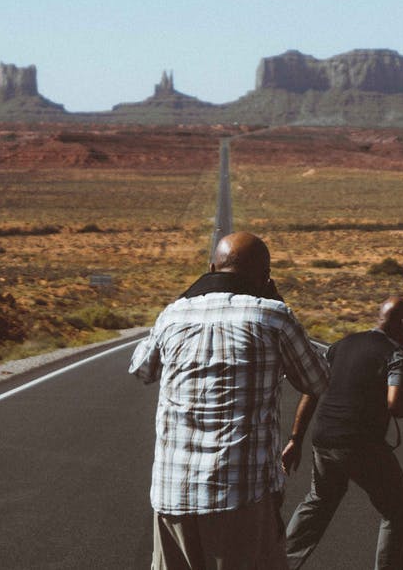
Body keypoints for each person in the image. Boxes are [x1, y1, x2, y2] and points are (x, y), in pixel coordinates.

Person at [130, 231, 329, 569]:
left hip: (172, 492)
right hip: (239, 496)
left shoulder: (173, 315)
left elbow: (141, 368)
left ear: (211, 269)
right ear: (265, 278)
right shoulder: (273, 316)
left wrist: (186, 298)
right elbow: (318, 379)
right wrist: (276, 301)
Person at [283, 297, 403, 570]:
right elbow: (395, 403)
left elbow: (312, 389)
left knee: (319, 501)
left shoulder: (342, 344)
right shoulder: (396, 354)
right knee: (398, 509)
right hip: (359, 443)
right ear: (402, 324)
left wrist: (296, 438)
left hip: (323, 438)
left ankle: (278, 564)